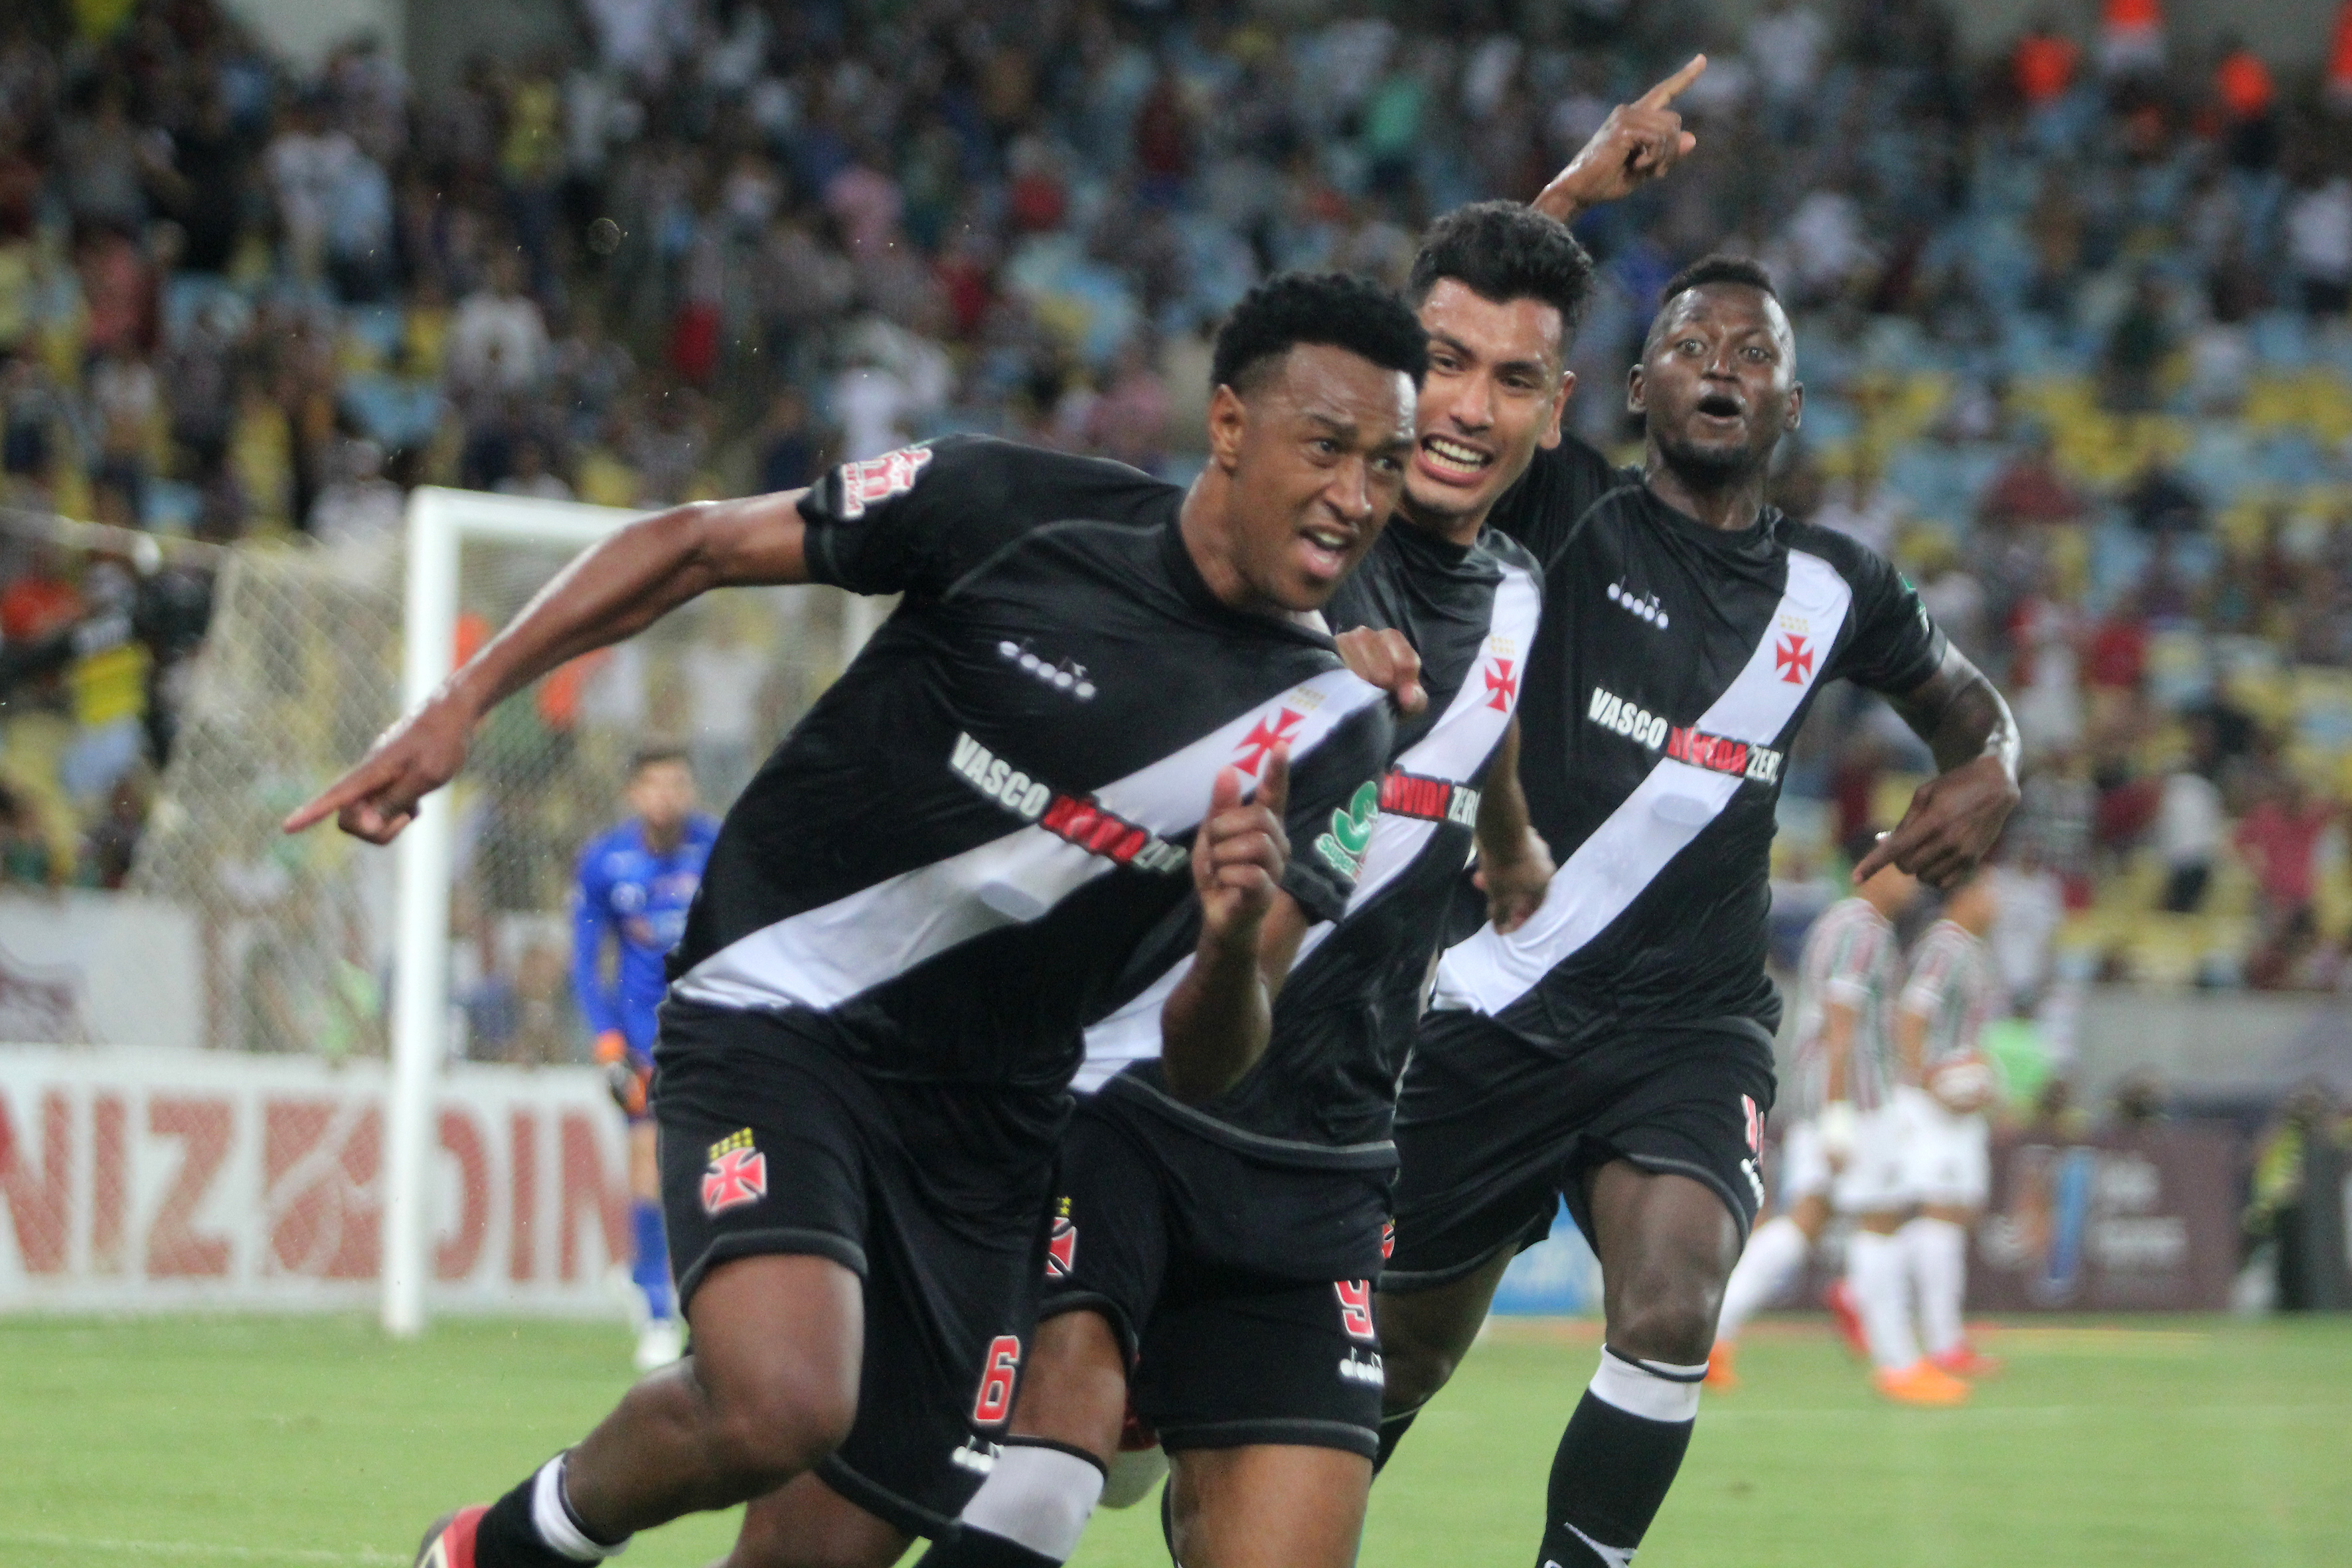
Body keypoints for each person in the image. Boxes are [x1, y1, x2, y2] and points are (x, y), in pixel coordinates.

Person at [718, 73, 1712, 1568]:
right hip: (1110, 1103)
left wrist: (1505, 836)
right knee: (961, 1496)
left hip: (1319, 1160)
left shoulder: (1516, 580)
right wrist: (1562, 188)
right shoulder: (1301, 533)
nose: (1462, 407)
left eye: (1510, 382)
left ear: (1555, 405)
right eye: (1436, 371)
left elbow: (1486, 689)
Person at [286, 271, 1423, 1568]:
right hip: (783, 1005)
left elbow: (1213, 1051)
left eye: (1382, 465)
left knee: (820, 1550)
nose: (1356, 494)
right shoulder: (1008, 507)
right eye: (1325, 447)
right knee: (779, 1397)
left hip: (991, 1130)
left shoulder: (1333, 729)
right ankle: (497, 1548)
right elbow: (696, 544)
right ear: (1226, 424)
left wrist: (1223, 935)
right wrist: (461, 699)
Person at [1371, 254, 2021, 1568]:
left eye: (1752, 352)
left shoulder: (1837, 586)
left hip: (1688, 1026)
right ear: (1629, 388)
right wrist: (1560, 205)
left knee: (1670, 1308)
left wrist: (1993, 767)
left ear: (1790, 405)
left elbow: (1970, 714)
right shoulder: (1560, 506)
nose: (1720, 366)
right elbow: (1434, 368)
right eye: (1688, 345)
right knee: (1400, 1360)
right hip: (1496, 999)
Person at [1708, 862, 1919, 1389]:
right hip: (1855, 1099)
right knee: (1880, 1219)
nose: (1912, 883)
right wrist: (1838, 1112)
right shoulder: (1861, 931)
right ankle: (1898, 1365)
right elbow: (1840, 1026)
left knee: (1805, 1219)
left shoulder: (1840, 925)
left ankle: (1711, 1333)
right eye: (1903, 871)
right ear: (1870, 873)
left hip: (1822, 1096)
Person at [569, 746, 719, 1372]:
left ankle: (656, 1278)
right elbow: (585, 959)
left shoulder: (718, 849)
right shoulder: (605, 861)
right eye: (653, 784)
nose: (666, 796)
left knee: (713, 1168)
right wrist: (607, 1042)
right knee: (648, 1156)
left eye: (677, 783)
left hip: (714, 1030)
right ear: (633, 793)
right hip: (644, 1039)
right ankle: (658, 1308)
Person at [1889, 874, 2003, 1381]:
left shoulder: (1969, 949)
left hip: (1959, 1101)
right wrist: (1927, 1081)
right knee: (1939, 1208)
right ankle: (1939, 1340)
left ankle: (1929, 1324)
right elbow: (1910, 1017)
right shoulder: (1944, 946)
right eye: (1988, 892)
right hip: (1931, 1103)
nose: (1996, 903)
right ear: (1964, 896)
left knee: (1959, 1210)